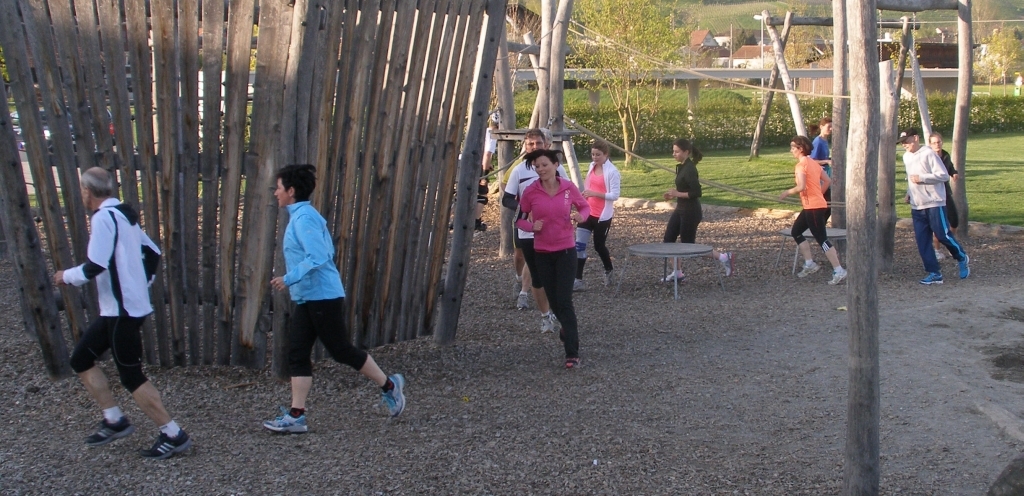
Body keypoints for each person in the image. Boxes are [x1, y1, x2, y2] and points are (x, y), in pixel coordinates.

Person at [53, 167, 192, 460]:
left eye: (81, 190)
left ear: (87, 192)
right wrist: (143, 283)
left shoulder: (104, 218)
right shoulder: (122, 215)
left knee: (131, 376)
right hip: (119, 310)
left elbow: (95, 265)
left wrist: (66, 276)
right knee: (81, 359)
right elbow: (152, 252)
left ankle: (173, 433)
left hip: (122, 312)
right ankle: (114, 419)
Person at [265, 164, 406, 433]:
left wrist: (289, 277)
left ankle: (389, 385)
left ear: (291, 191)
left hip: (322, 296)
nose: (275, 193)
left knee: (340, 350)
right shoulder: (302, 217)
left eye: (279, 188)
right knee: (297, 353)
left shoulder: (304, 218)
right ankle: (296, 415)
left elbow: (319, 256)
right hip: (309, 297)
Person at [515, 149, 590, 369]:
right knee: (554, 299)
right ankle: (566, 327)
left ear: (556, 165)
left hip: (566, 250)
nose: (540, 169)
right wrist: (531, 226)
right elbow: (519, 219)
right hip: (542, 252)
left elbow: (584, 207)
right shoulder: (531, 191)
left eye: (544, 165)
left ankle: (572, 353)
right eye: (537, 166)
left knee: (564, 300)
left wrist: (580, 216)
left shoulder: (568, 188)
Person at [502, 128, 566, 333]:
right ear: (525, 146)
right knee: (536, 274)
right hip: (528, 231)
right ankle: (545, 315)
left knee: (554, 273)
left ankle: (554, 310)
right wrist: (525, 210)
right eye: (530, 144)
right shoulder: (519, 170)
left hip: (555, 230)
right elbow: (506, 198)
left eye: (538, 144)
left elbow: (569, 193)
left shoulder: (558, 168)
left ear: (545, 144)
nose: (534, 147)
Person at [898, 128, 969, 284]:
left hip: (934, 202)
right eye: (902, 143)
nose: (905, 145)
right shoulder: (906, 157)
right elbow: (911, 177)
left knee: (943, 235)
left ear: (915, 138)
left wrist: (922, 178)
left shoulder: (928, 153)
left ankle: (961, 256)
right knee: (922, 240)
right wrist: (909, 191)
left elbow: (943, 175)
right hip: (917, 205)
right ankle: (934, 273)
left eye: (907, 142)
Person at [661, 138, 735, 282]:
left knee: (689, 246)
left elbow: (696, 192)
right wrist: (672, 195)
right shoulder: (682, 166)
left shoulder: (690, 169)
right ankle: (678, 272)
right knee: (668, 240)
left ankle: (724, 257)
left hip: (691, 211)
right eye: (673, 151)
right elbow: (684, 189)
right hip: (680, 209)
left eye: (676, 151)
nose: (673, 154)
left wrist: (678, 194)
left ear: (686, 152)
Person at [779, 136, 848, 285]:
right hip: (813, 205)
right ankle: (810, 264)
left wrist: (787, 192)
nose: (791, 150)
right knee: (796, 232)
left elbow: (801, 186)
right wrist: (818, 194)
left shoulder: (801, 166)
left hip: (814, 207)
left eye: (793, 147)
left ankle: (839, 270)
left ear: (801, 149)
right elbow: (827, 181)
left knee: (822, 239)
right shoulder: (813, 163)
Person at [574, 139, 621, 290]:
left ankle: (609, 270)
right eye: (593, 154)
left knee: (599, 246)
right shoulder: (591, 166)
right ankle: (578, 279)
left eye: (598, 155)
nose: (594, 157)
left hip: (602, 216)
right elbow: (589, 185)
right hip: (587, 212)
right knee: (579, 245)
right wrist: (584, 196)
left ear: (606, 154)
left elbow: (614, 195)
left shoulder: (612, 172)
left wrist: (594, 193)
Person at [927, 131, 959, 259]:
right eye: (934, 143)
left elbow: (949, 167)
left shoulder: (945, 155)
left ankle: (951, 246)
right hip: (934, 194)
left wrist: (954, 172)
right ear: (930, 144)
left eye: (938, 142)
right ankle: (936, 250)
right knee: (937, 222)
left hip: (945, 191)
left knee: (954, 220)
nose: (937, 145)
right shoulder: (928, 157)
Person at [475, 119, 499, 234]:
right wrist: (484, 175)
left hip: (469, 163)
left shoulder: (480, 131)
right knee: (482, 194)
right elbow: (487, 154)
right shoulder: (491, 134)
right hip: (478, 168)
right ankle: (476, 221)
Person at [808, 117, 833, 221]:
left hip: (826, 174)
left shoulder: (825, 140)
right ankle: (816, 223)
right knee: (826, 203)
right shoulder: (818, 142)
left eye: (832, 127)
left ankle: (819, 224)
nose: (831, 129)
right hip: (820, 177)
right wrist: (827, 161)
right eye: (829, 126)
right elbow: (812, 161)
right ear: (821, 127)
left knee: (829, 203)